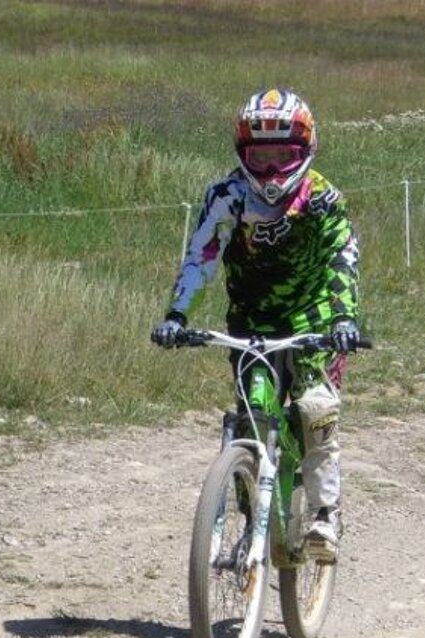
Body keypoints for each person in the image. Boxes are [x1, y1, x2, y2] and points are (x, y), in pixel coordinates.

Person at [151, 87, 361, 562]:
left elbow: (342, 259)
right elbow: (201, 255)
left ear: (304, 152)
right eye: (259, 155)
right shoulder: (227, 197)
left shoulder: (323, 199)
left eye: (280, 155)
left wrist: (345, 317)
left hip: (316, 319)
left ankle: (326, 513)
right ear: (242, 153)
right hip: (250, 321)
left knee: (314, 411)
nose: (269, 170)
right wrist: (177, 315)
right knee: (252, 417)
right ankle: (255, 522)